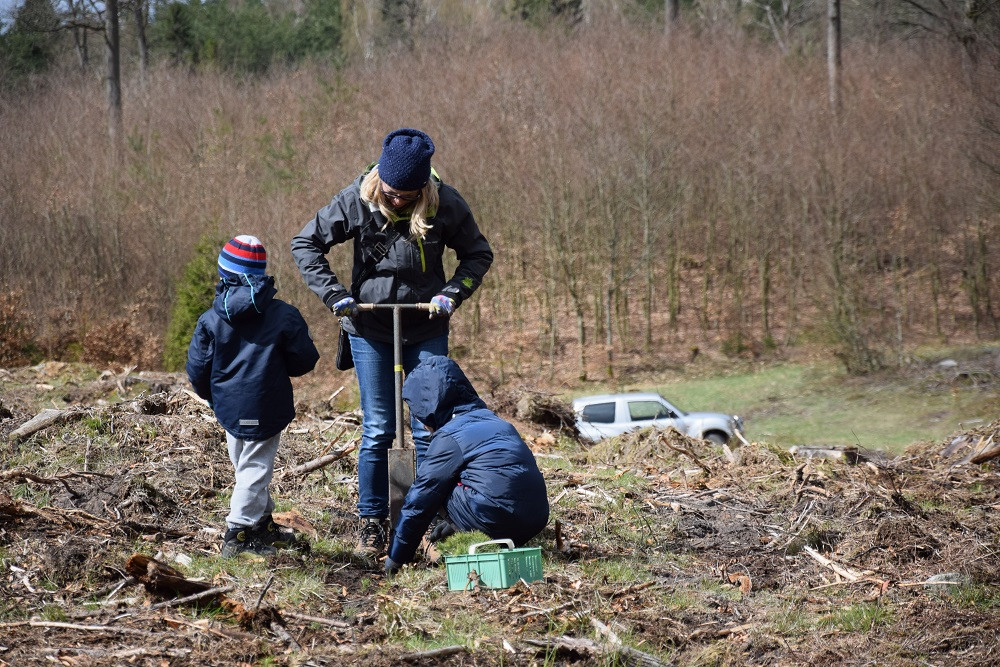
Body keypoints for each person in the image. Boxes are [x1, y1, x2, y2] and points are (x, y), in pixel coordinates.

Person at [291, 128, 493, 557]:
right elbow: (305, 244)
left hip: (425, 328)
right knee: (380, 428)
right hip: (370, 329)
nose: (397, 200)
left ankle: (432, 516)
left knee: (428, 427)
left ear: (423, 188)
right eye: (391, 192)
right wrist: (335, 295)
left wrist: (452, 293)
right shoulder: (357, 200)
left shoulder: (445, 204)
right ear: (379, 178)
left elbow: (478, 255)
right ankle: (372, 521)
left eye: (406, 195)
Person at [187, 235, 320, 557]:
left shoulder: (211, 319)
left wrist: (211, 396)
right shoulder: (284, 315)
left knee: (247, 467)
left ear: (223, 274)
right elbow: (304, 360)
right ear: (261, 274)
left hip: (229, 407)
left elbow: (197, 368)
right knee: (254, 470)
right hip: (267, 403)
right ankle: (237, 533)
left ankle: (261, 525)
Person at [384, 355, 549, 574]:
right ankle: (466, 530)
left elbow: (420, 502)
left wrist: (396, 558)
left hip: (495, 519)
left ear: (429, 406)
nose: (423, 426)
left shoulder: (449, 437)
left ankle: (465, 529)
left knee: (433, 486)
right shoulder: (497, 422)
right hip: (534, 520)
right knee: (468, 477)